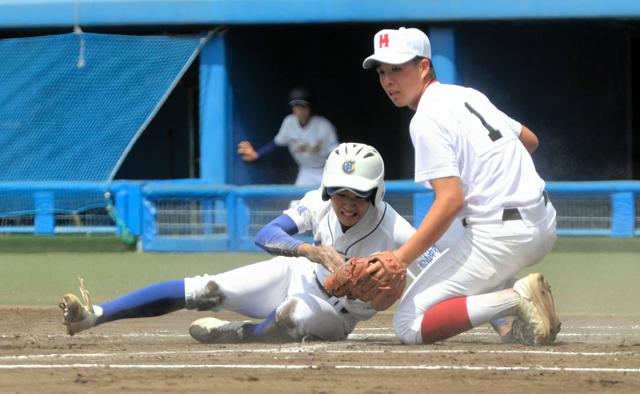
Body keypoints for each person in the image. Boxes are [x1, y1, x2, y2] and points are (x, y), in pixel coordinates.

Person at [60, 142, 438, 343]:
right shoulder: (316, 204)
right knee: (207, 288)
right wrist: (311, 250)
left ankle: (237, 335)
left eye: (357, 194)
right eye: (339, 192)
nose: (346, 202)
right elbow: (266, 234)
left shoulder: (397, 230)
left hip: (334, 316)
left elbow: (443, 268)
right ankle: (94, 316)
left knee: (294, 314)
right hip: (297, 273)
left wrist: (499, 318)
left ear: (377, 192)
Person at [361, 27, 560, 346]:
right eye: (382, 72)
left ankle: (514, 299)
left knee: (408, 324)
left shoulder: (425, 118)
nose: (388, 81)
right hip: (543, 221)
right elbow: (530, 142)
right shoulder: (469, 95)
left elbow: (450, 200)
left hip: (500, 235)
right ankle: (508, 323)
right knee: (446, 240)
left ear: (423, 67)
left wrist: (400, 260)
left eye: (397, 69)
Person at [237, 87, 339, 186]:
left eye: (303, 107)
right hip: (306, 172)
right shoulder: (289, 122)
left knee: (329, 202)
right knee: (296, 203)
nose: (299, 111)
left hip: (326, 171)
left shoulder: (324, 126)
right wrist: (257, 154)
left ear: (310, 107)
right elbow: (276, 143)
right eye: (296, 107)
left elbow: (337, 154)